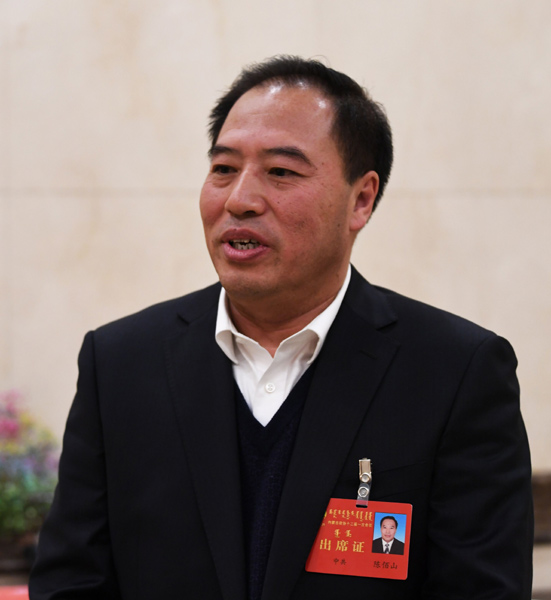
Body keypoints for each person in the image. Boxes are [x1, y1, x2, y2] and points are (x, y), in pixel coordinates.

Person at [29, 56, 533, 600]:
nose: (239, 200)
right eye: (224, 168)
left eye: (281, 172)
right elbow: (71, 582)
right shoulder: (121, 363)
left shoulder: (454, 372)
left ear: (361, 200)